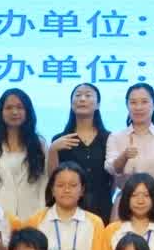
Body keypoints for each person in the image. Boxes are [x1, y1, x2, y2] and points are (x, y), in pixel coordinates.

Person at [107, 83, 154, 211]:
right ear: (127, 106)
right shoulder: (116, 138)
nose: (138, 107)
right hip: (126, 203)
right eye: (133, 102)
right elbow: (111, 169)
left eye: (144, 102)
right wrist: (124, 156)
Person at [50, 83, 116, 220]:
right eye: (78, 95)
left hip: (102, 207)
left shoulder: (109, 138)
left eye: (88, 95)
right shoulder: (60, 140)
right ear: (71, 104)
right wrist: (52, 150)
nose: (82, 99)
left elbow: (114, 179)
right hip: (69, 207)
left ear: (98, 105)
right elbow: (52, 178)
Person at [0, 88, 48, 223]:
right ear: (1, 112)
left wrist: (42, 212)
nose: (14, 112)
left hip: (32, 213)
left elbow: (44, 182)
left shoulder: (39, 144)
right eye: (8, 108)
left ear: (27, 111)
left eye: (20, 107)